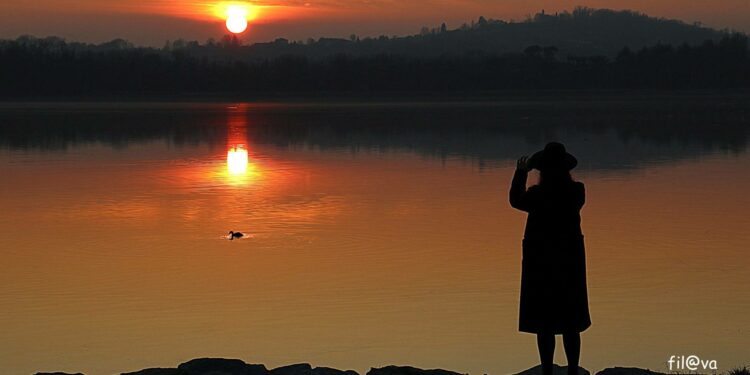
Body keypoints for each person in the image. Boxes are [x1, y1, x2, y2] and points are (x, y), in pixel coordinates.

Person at [509, 142, 591, 375]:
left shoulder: (536, 196)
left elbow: (515, 200)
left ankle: (547, 371)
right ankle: (573, 370)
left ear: (542, 170)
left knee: (544, 322)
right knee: (570, 320)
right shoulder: (577, 192)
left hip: (541, 264)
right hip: (569, 264)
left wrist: (520, 173)